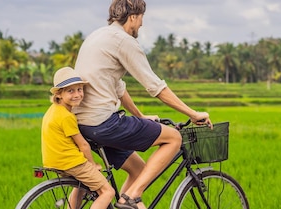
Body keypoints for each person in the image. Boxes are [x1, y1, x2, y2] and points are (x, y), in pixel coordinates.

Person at [72, 0, 211, 208]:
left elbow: (118, 87)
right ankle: (133, 195)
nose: (142, 25)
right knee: (173, 137)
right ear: (133, 16)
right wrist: (193, 113)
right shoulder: (123, 41)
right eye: (142, 18)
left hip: (82, 125)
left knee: (137, 170)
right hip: (104, 123)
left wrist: (139, 116)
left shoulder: (98, 35)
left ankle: (125, 201)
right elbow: (156, 87)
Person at [41, 67, 115, 209]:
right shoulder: (67, 116)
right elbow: (84, 145)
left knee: (82, 187)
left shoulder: (52, 111)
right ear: (59, 94)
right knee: (107, 192)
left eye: (80, 89)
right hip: (71, 162)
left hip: (53, 161)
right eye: (71, 91)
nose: (77, 94)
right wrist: (93, 166)